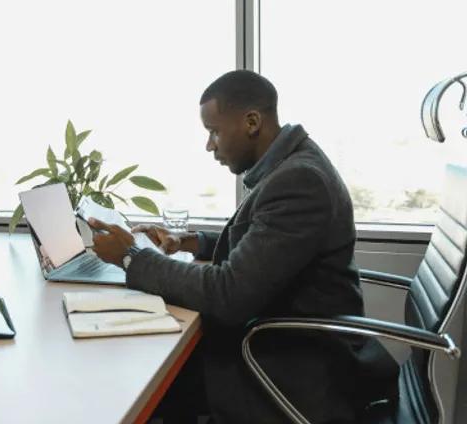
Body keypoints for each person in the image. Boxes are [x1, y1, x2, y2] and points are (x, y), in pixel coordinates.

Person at [88, 70, 398, 423]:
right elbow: (264, 243)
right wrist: (192, 242)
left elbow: (229, 295)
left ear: (252, 122)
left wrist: (132, 256)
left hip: (294, 367)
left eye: (214, 131)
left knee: (141, 379)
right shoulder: (290, 165)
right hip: (283, 344)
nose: (210, 145)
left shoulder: (300, 180)